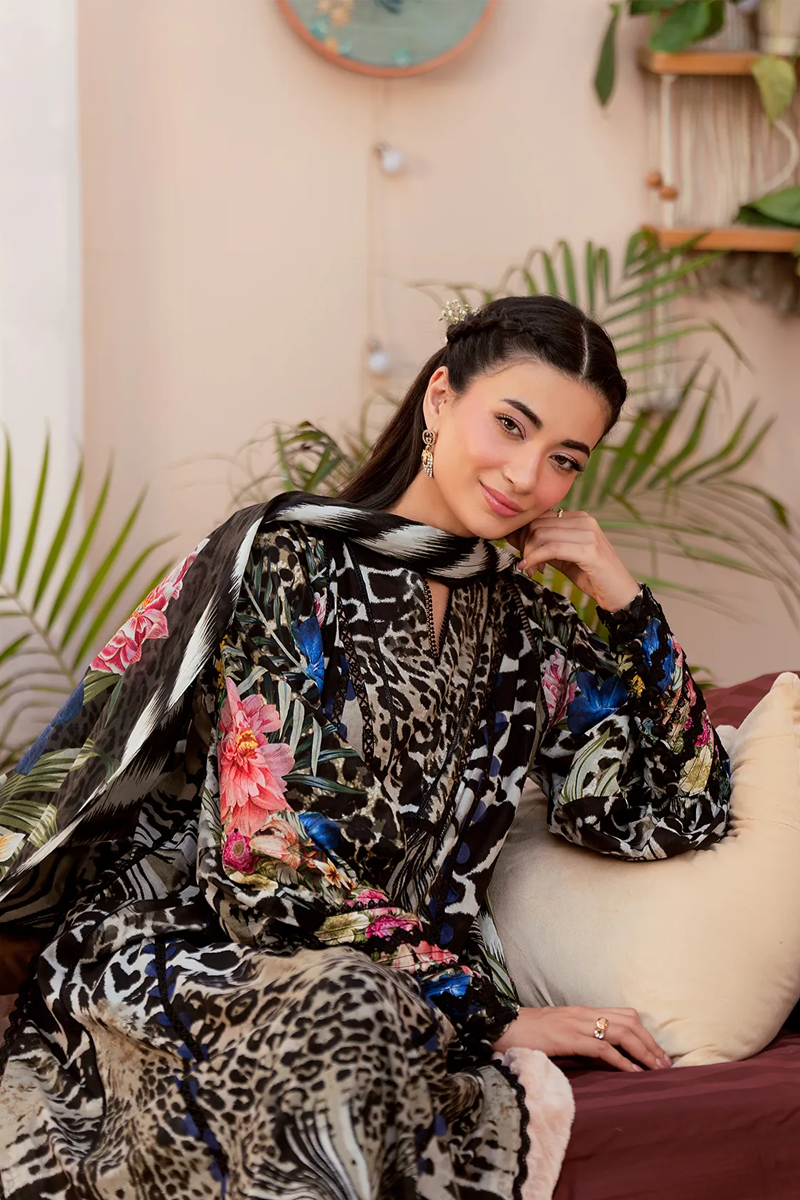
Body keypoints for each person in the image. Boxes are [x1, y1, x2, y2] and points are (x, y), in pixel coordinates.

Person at [0, 296, 730, 1199]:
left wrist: (627, 607)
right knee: (347, 1012)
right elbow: (263, 856)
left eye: (564, 459)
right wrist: (490, 1015)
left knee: (360, 1014)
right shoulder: (289, 561)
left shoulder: (532, 629)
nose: (525, 475)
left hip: (394, 996)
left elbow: (670, 812)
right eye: (511, 425)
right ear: (439, 398)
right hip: (208, 953)